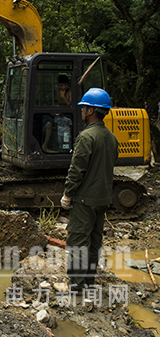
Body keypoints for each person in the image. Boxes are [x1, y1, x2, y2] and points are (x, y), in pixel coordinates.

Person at [60, 88, 118, 290]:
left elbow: (77, 170)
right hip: (102, 199)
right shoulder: (111, 137)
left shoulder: (86, 137)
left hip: (85, 199)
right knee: (94, 243)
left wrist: (68, 193)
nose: (82, 111)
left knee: (78, 242)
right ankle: (89, 282)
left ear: (91, 110)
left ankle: (76, 285)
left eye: (84, 108)